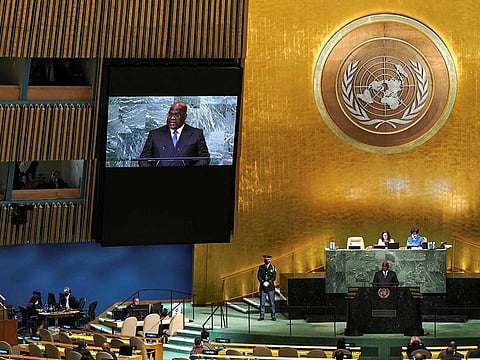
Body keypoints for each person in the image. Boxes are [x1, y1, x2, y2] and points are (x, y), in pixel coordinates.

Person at [139, 101, 210, 167]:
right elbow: (143, 160)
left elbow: (204, 159)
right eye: (170, 114)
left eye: (177, 115)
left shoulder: (196, 134)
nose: (172, 118)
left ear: (185, 116)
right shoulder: (155, 134)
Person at [257, 254, 276, 321]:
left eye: (268, 259)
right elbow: (259, 276)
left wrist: (269, 282)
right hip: (263, 287)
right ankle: (262, 316)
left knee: (272, 303)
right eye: (266, 259)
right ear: (264, 260)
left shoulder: (273, 267)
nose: (267, 261)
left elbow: (274, 277)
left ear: (270, 260)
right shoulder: (261, 267)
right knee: (262, 303)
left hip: (270, 287)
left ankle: (273, 316)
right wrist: (262, 282)